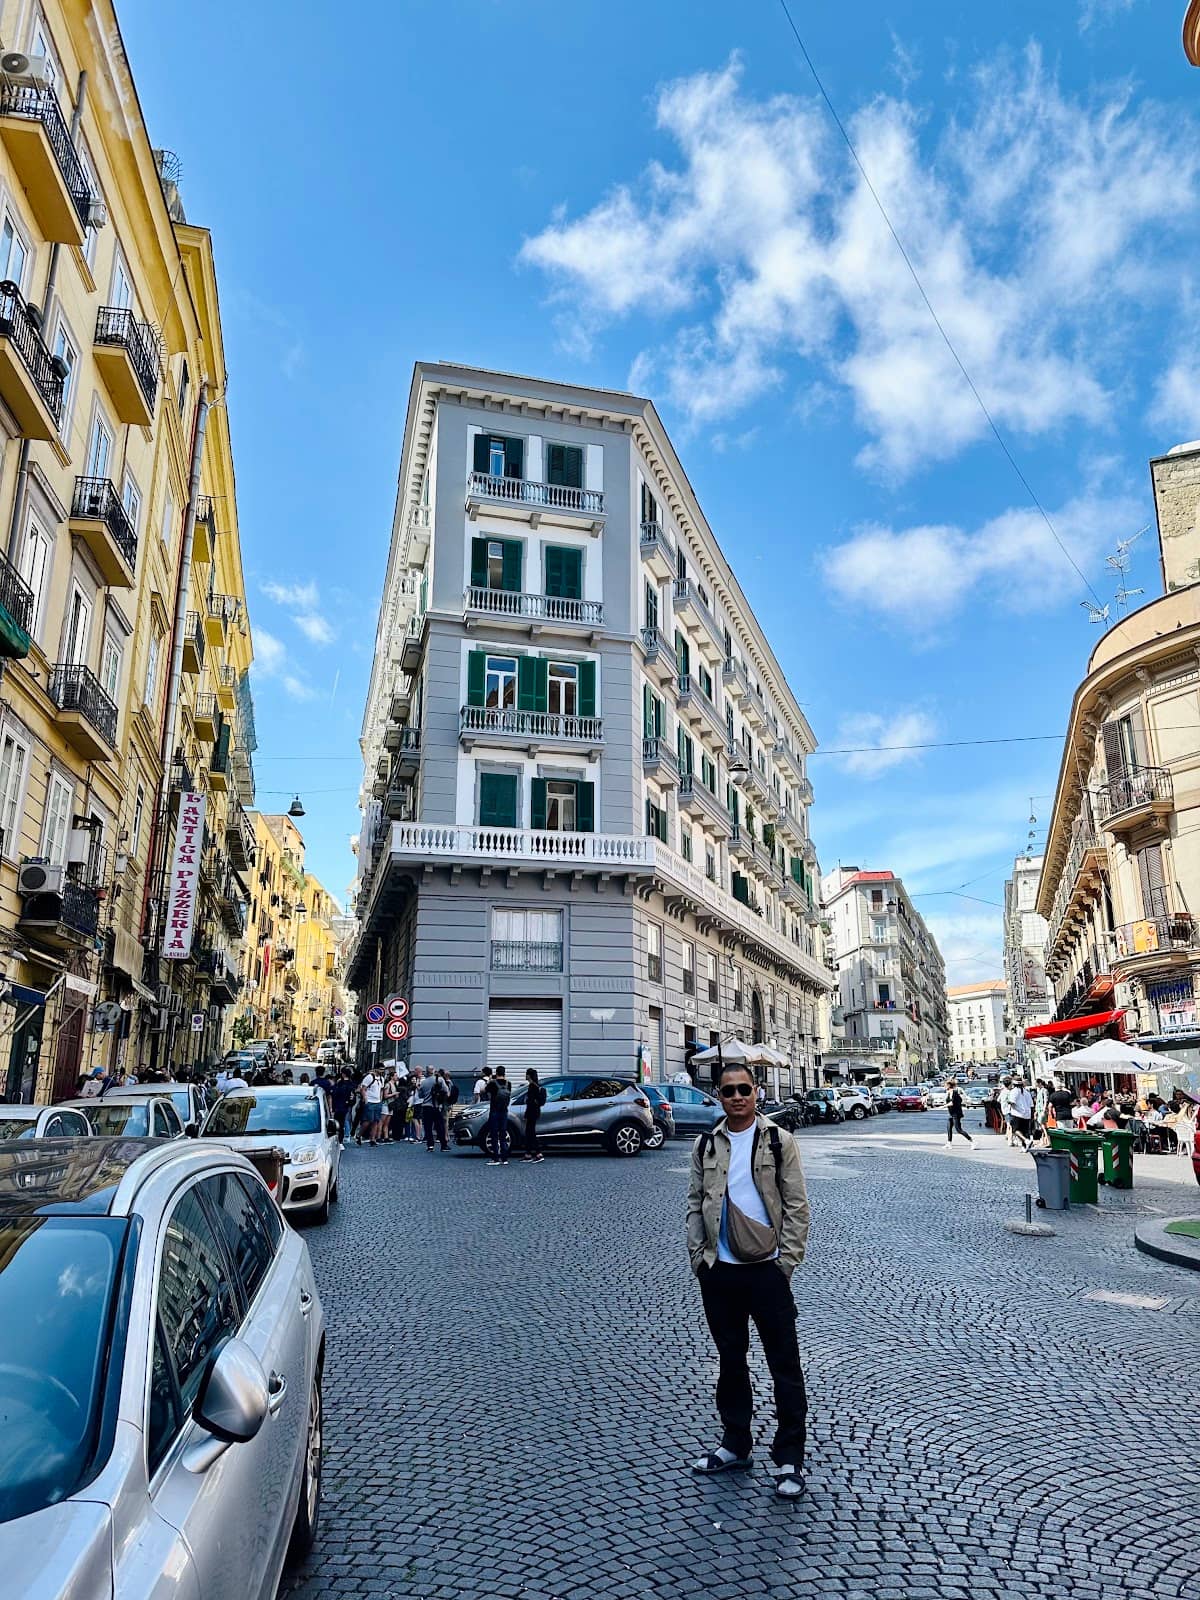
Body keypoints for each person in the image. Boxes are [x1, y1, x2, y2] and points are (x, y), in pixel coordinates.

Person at [686, 1059, 811, 1500]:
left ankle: (790, 1457)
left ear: (756, 1091)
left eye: (744, 1089)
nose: (737, 1097)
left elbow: (797, 1206)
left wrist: (785, 1263)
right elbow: (695, 1202)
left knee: (784, 1365)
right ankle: (735, 1443)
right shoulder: (706, 1144)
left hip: (767, 1271)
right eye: (728, 1091)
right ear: (718, 1096)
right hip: (720, 1272)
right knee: (731, 1362)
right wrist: (700, 1259)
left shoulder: (779, 1140)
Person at [485, 1066, 512, 1166]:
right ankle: (504, 1159)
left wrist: (490, 1080)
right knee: (503, 1134)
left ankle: (496, 1158)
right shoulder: (508, 1084)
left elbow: (485, 1091)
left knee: (494, 1134)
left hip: (494, 1111)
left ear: (496, 1073)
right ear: (504, 1073)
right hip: (504, 1111)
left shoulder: (492, 1083)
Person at [523, 1067, 546, 1162]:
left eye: (526, 1074)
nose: (525, 1076)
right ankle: (528, 1154)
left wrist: (526, 1114)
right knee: (529, 1132)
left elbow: (531, 1102)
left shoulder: (532, 1087)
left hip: (531, 1112)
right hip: (535, 1111)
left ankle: (538, 1153)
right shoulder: (536, 1085)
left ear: (529, 1076)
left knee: (531, 1133)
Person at [359, 1065, 385, 1146]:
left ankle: (372, 1139)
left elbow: (381, 1089)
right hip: (370, 1101)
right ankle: (359, 1135)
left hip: (377, 1102)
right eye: (380, 1069)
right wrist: (365, 1099)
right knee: (368, 1120)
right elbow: (363, 1088)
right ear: (375, 1069)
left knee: (376, 1121)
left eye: (383, 1070)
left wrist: (380, 1099)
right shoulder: (369, 1077)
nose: (382, 1071)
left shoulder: (382, 1079)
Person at [331, 1070, 356, 1146]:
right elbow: (353, 1096)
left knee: (336, 1123)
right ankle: (343, 1138)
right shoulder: (351, 1084)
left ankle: (337, 1139)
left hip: (339, 1105)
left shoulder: (340, 1084)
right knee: (344, 1122)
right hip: (346, 1105)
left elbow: (334, 1094)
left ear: (343, 1074)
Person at [1008, 1081, 1034, 1151]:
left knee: (1015, 1130)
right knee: (1025, 1131)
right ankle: (1024, 1147)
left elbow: (1012, 1102)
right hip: (1027, 1114)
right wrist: (1032, 1115)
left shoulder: (1014, 1091)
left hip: (1017, 1113)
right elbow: (1031, 1105)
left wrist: (1009, 1103)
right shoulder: (1027, 1092)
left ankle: (1026, 1140)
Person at [946, 1079, 973, 1145]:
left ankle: (972, 1141)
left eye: (946, 1085)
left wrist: (943, 1106)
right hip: (951, 1113)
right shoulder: (949, 1093)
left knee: (958, 1129)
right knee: (949, 1127)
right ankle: (949, 1143)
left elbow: (952, 1103)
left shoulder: (954, 1093)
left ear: (949, 1086)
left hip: (956, 1114)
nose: (945, 1087)